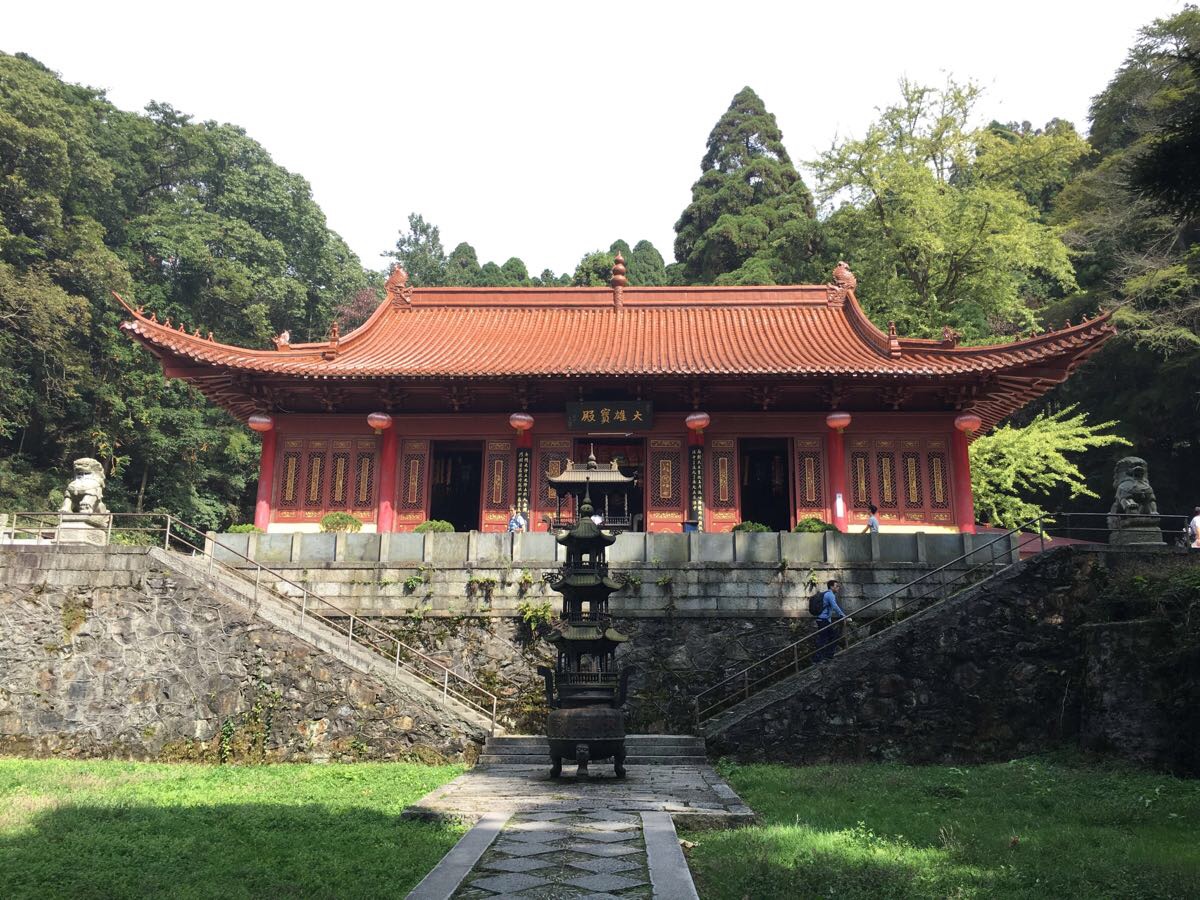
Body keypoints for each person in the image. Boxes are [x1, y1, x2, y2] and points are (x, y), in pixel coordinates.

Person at [814, 579, 852, 661]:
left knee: (831, 637)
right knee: (823, 639)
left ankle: (828, 655)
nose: (838, 588)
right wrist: (843, 616)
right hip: (823, 620)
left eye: (838, 586)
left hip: (824, 620)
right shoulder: (830, 595)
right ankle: (817, 659)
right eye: (836, 586)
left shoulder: (828, 594)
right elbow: (835, 607)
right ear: (831, 587)